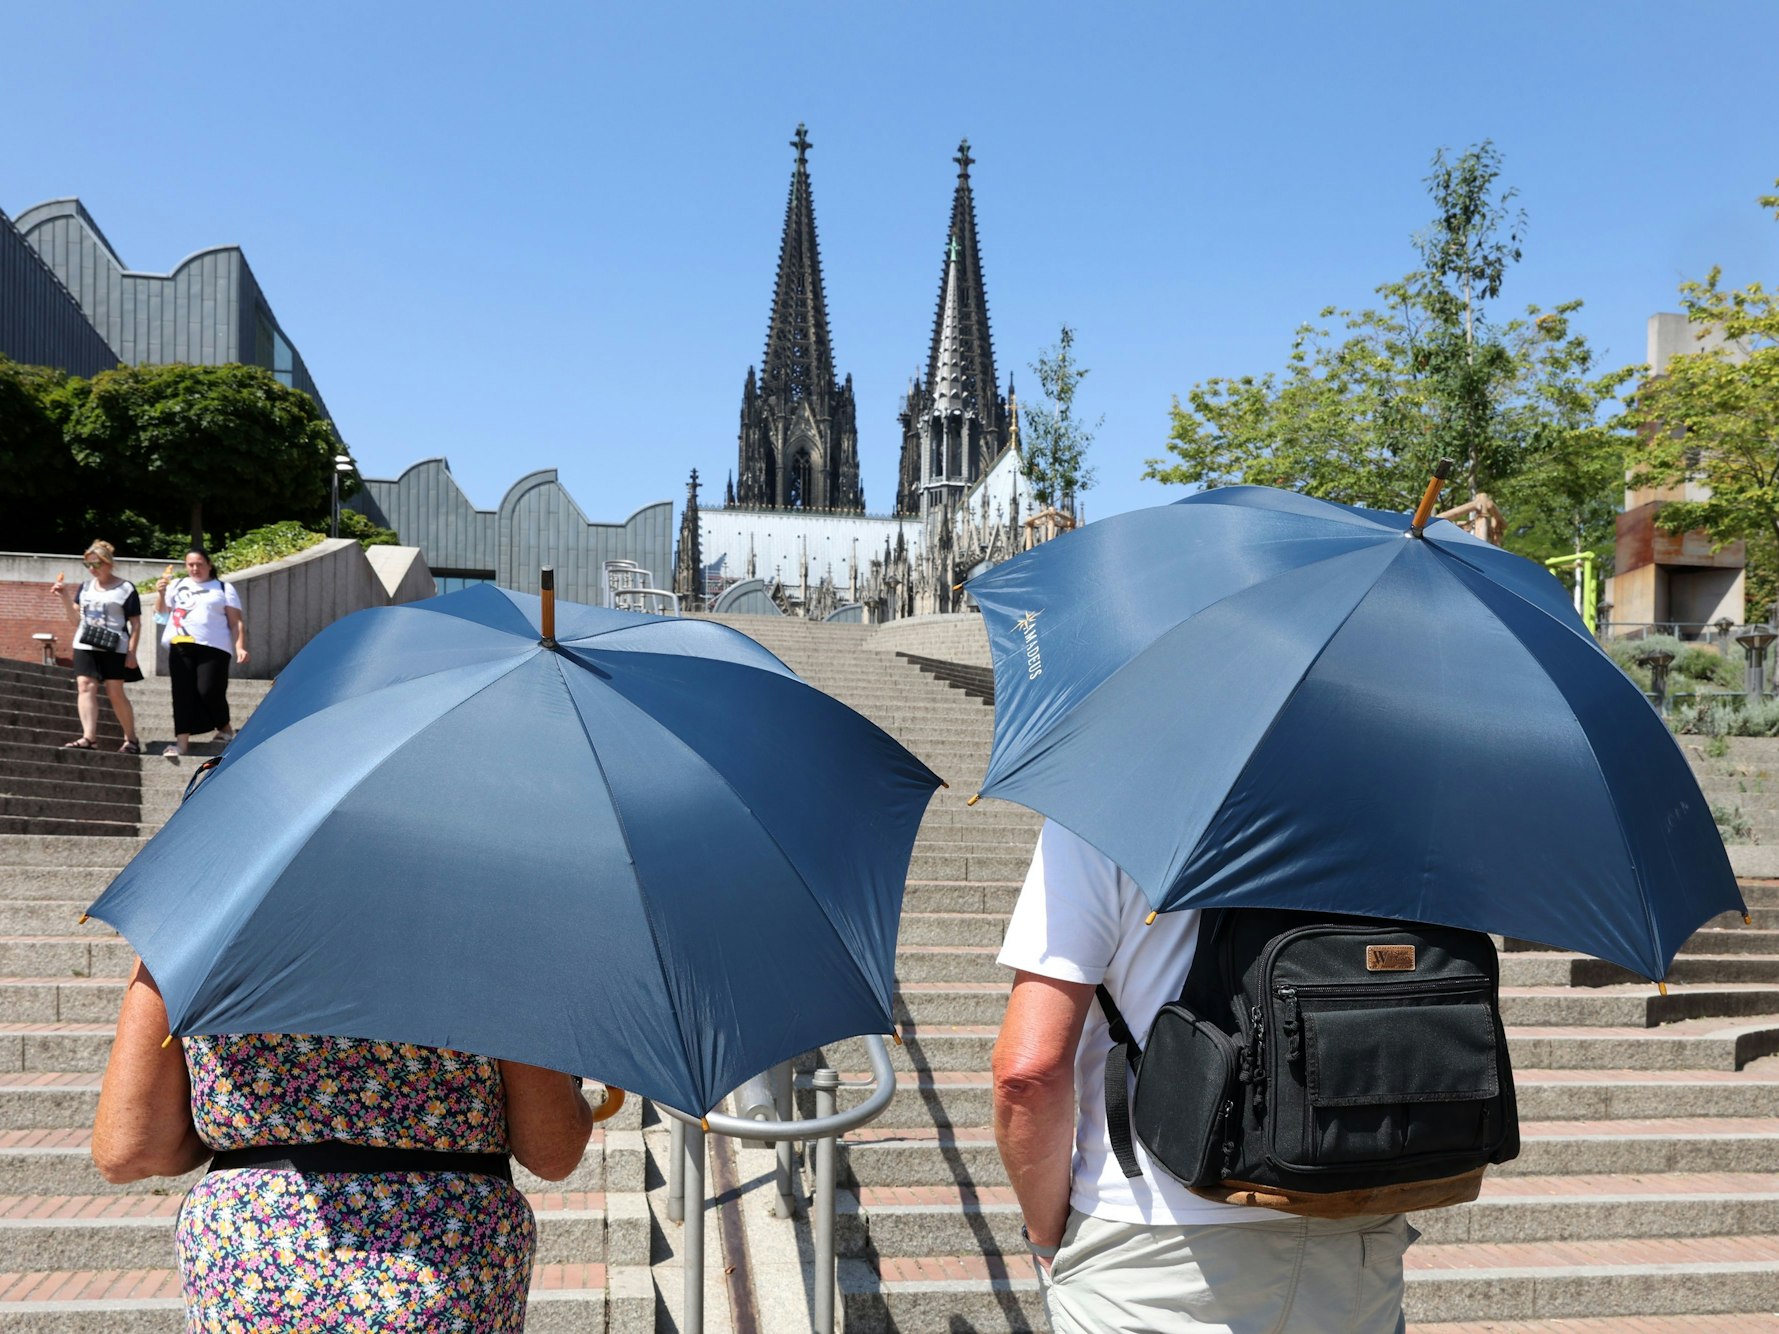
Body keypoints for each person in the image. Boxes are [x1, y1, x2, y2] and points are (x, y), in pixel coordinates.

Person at [993, 821, 1415, 1333]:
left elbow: (1027, 1074)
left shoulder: (1102, 810)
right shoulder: (1382, 802)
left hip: (1154, 1244)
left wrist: (1045, 1235)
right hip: (1356, 1226)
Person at [92, 958, 608, 1330]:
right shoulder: (494, 933)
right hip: (445, 1257)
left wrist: (249, 1138)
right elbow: (552, 1151)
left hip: (253, 1254)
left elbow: (130, 1147)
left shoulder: (203, 922)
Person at [154, 548, 248, 760]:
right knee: (182, 693)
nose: (195, 568)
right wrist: (161, 593)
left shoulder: (223, 588)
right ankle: (182, 743)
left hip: (214, 646)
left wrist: (240, 646)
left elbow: (236, 622)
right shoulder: (176, 585)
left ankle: (224, 727)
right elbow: (160, 615)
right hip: (180, 645)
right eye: (190, 564)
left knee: (209, 690)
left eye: (199, 564)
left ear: (209, 564)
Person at [50, 541, 143, 754]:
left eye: (96, 564)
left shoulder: (125, 588)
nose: (92, 569)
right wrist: (64, 597)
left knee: (115, 692)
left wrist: (132, 652)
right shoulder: (85, 587)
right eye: (88, 565)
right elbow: (75, 620)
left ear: (108, 564)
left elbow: (136, 623)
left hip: (114, 646)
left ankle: (131, 738)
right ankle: (88, 737)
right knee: (85, 686)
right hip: (85, 643)